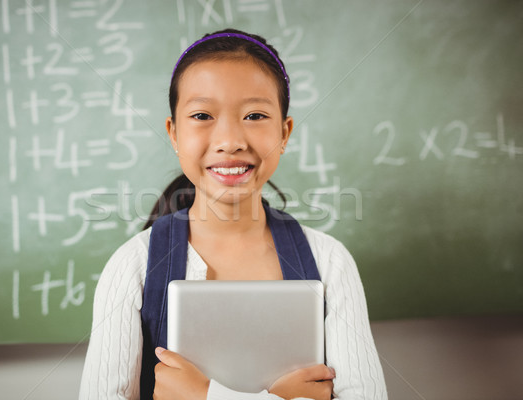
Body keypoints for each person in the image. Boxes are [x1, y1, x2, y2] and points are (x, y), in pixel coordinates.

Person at [79, 28, 387, 400]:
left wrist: (205, 395)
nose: (230, 141)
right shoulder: (132, 267)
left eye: (255, 115)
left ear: (285, 132)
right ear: (173, 133)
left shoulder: (330, 262)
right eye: (203, 115)